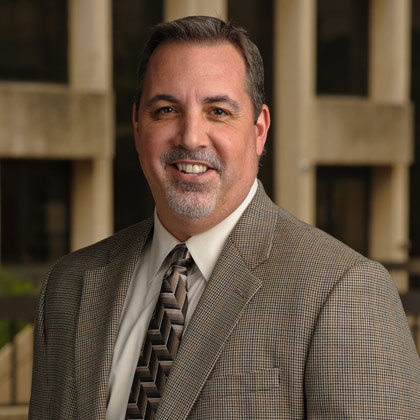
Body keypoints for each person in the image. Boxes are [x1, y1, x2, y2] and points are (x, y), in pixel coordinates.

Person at [29, 15, 420, 420]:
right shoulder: (68, 287)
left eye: (217, 111)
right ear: (137, 126)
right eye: (166, 109)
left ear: (259, 131)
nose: (191, 136)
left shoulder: (344, 292)